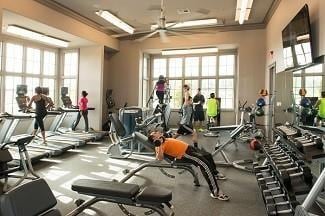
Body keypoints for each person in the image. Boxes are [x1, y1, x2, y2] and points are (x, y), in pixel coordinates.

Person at [148, 130, 229, 201]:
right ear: (154, 138)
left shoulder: (164, 138)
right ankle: (216, 192)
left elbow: (173, 138)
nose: (157, 132)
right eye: (155, 133)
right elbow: (159, 158)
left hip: (189, 148)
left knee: (208, 155)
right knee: (204, 165)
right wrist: (159, 145)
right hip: (184, 154)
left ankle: (215, 173)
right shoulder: (158, 146)